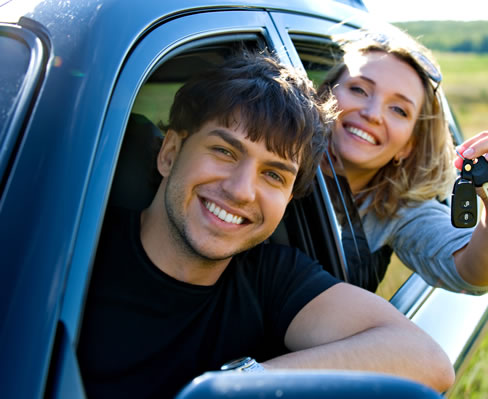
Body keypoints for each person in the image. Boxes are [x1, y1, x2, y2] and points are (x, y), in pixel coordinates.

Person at [77, 51, 455, 399]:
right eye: (225, 151)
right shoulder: (73, 249)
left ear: (289, 200)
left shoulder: (272, 278)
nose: (241, 191)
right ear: (170, 152)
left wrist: (238, 386)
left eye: (274, 175)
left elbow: (428, 361)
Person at [318, 30, 488, 294]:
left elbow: (475, 272)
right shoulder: (266, 151)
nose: (372, 114)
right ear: (323, 97)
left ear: (408, 147)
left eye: (399, 110)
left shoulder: (395, 212)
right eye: (359, 89)